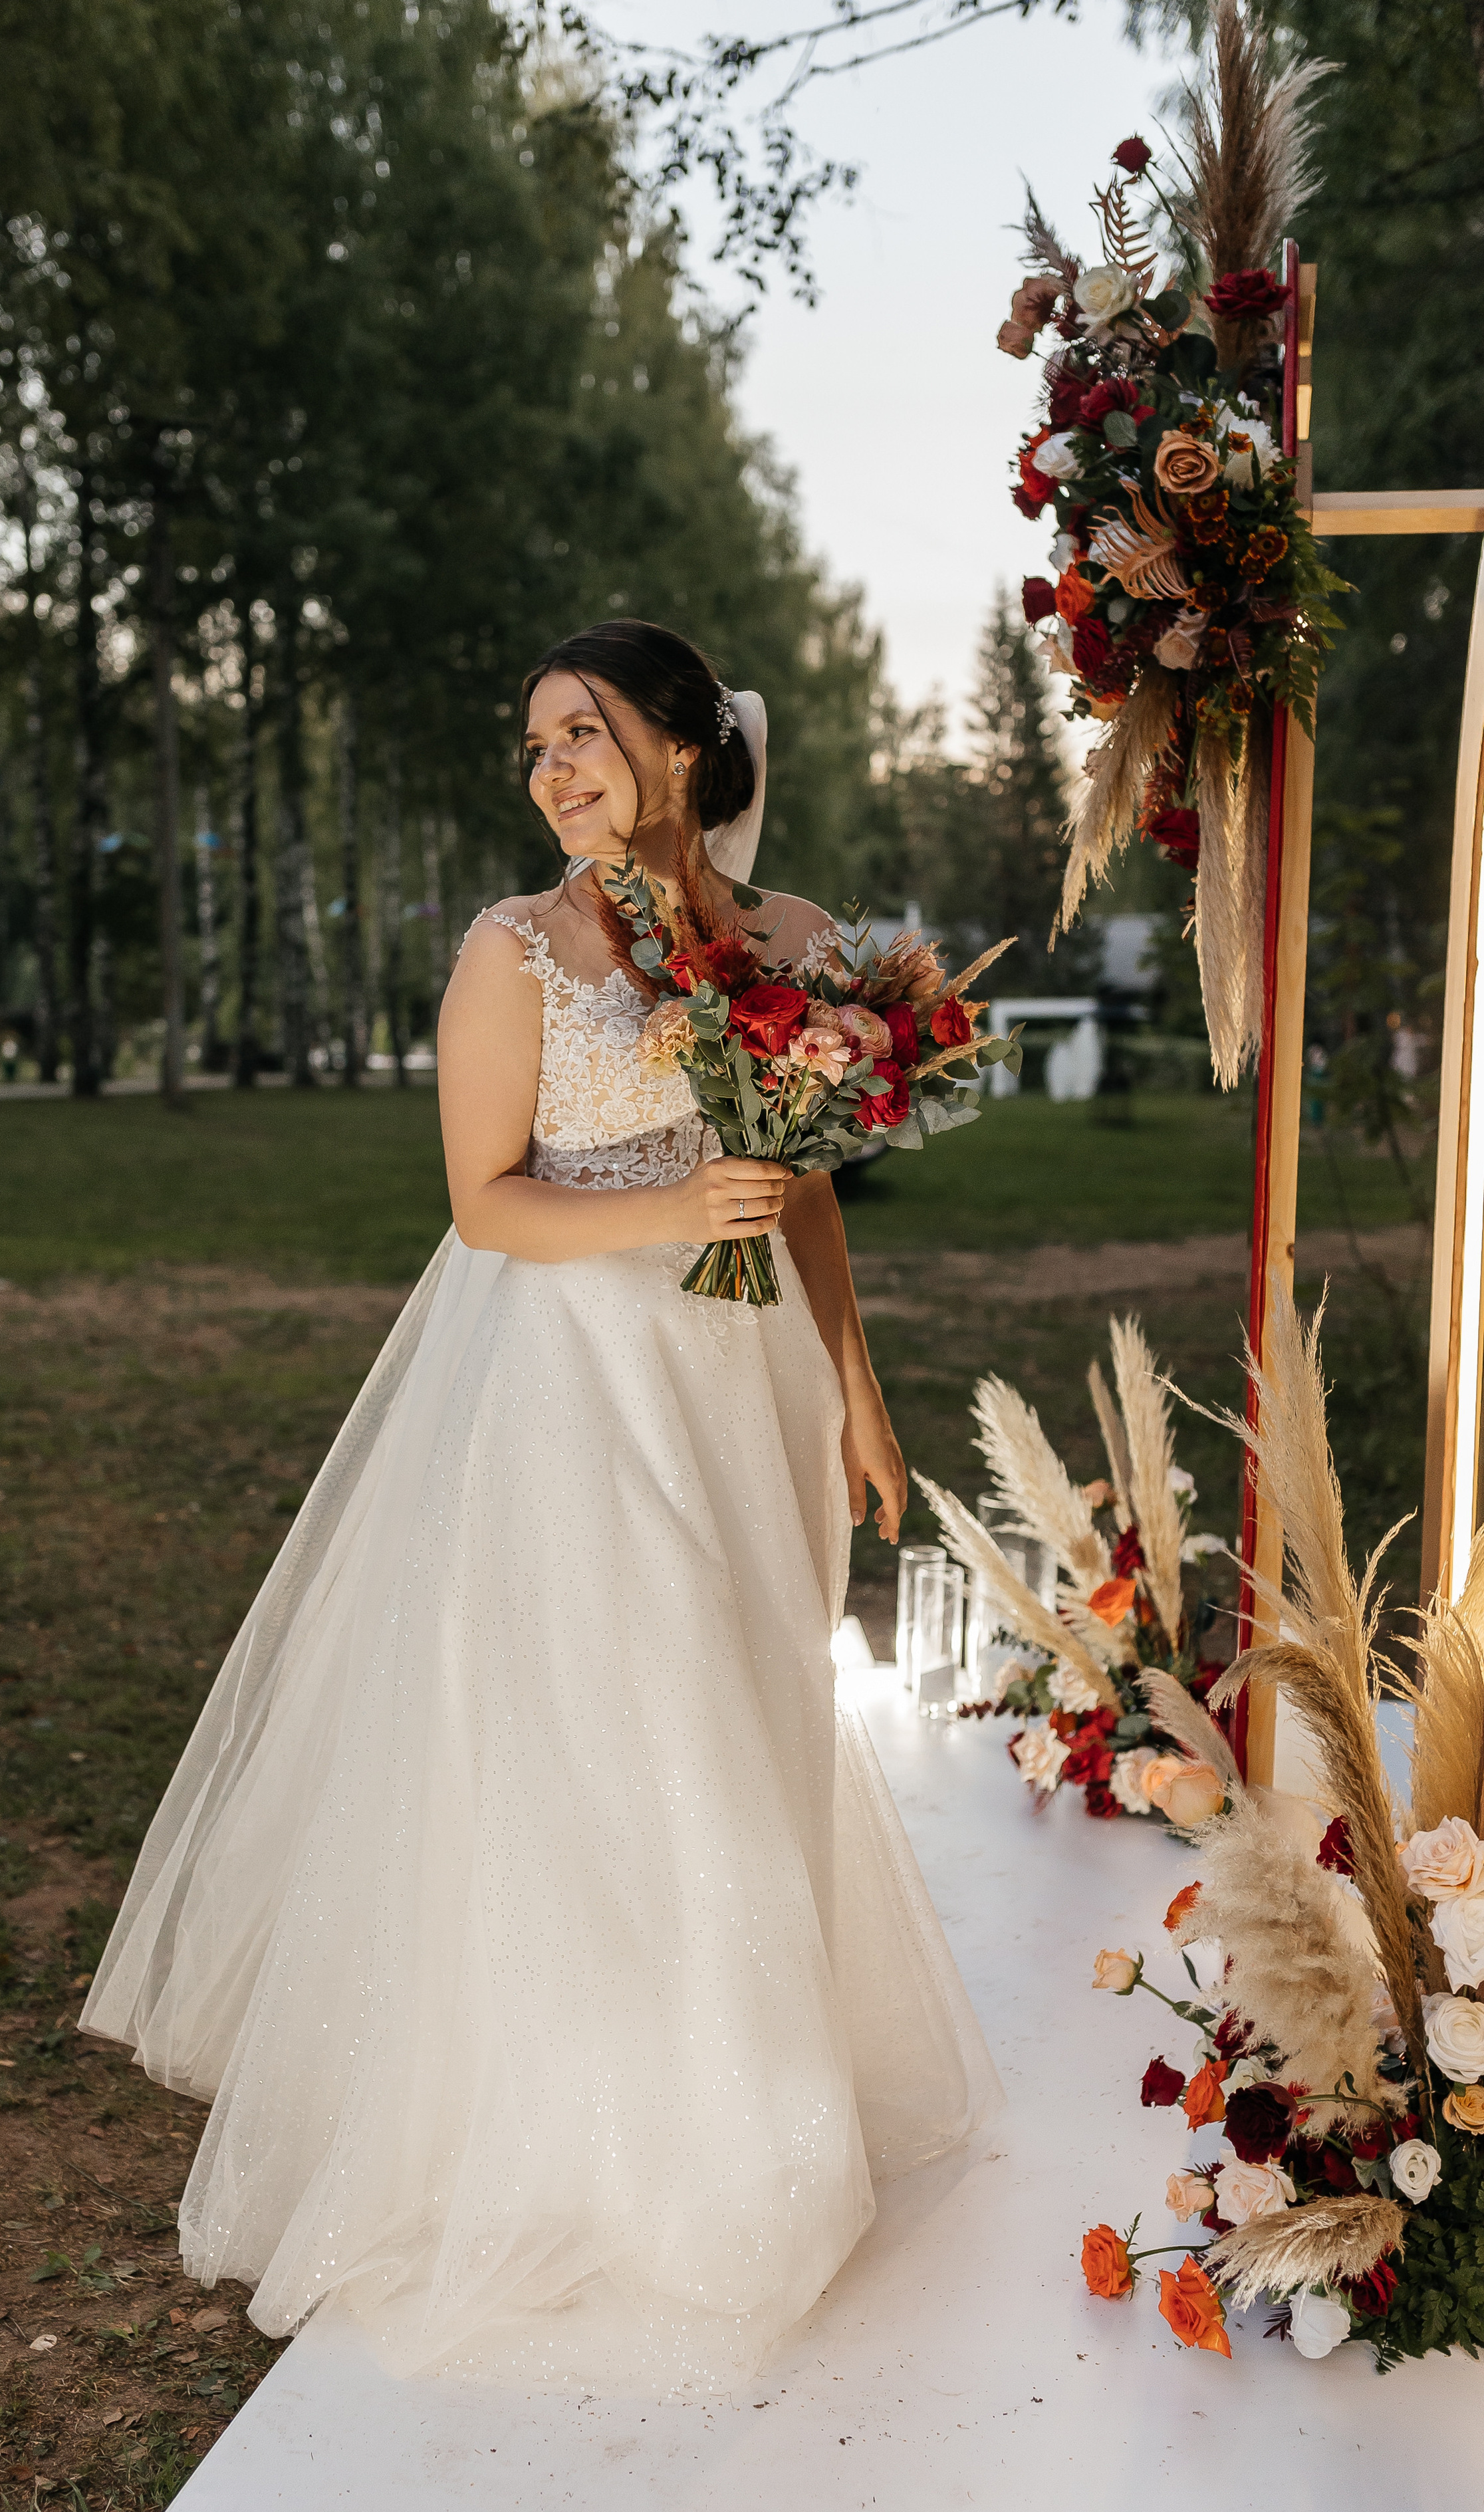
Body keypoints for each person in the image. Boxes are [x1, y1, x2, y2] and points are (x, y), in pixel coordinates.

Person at [81, 619, 1000, 2395]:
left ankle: (742, 2094)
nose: (558, 771)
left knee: (743, 1709)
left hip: (750, 1388)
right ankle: (662, 2164)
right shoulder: (516, 953)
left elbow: (801, 1194)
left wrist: (860, 1397)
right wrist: (680, 1205)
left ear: (681, 742)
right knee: (625, 1729)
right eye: (537, 747)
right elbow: (486, 1206)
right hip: (570, 1383)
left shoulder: (797, 947)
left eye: (586, 733)